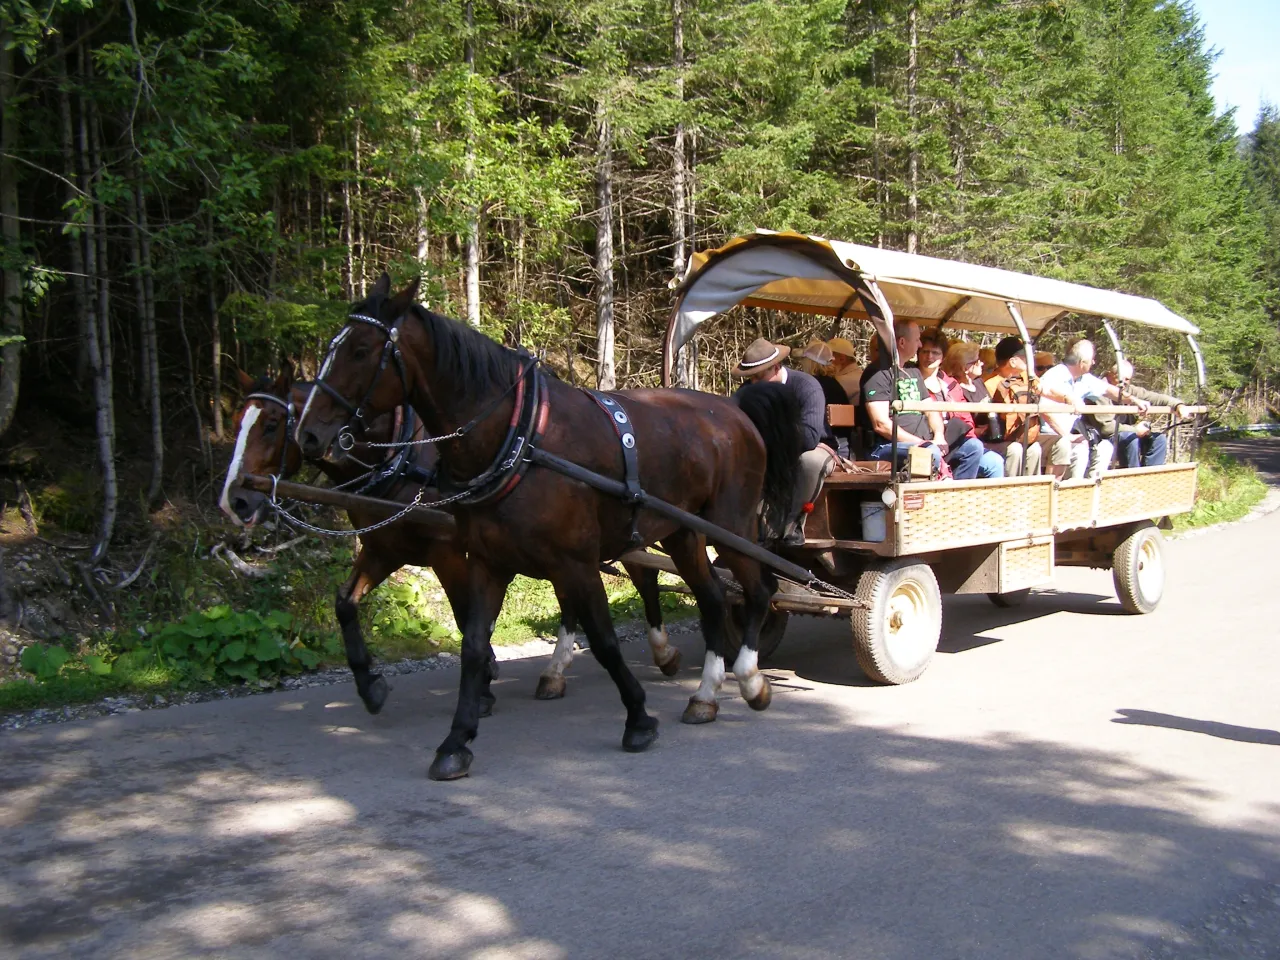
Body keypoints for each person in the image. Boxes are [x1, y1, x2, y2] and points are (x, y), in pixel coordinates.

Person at [733, 337, 836, 545]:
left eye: (759, 377)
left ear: (776, 367)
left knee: (809, 462)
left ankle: (791, 524)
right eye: (750, 378)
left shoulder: (807, 386)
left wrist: (768, 438)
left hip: (814, 448)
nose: (754, 383)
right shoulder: (746, 392)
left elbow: (808, 438)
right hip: (770, 448)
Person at [1038, 339, 1147, 479]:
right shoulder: (1054, 376)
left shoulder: (1084, 379)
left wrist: (1134, 400)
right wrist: (1066, 436)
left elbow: (1109, 391)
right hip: (1049, 435)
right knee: (1078, 450)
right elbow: (1044, 410)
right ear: (1082, 363)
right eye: (1091, 360)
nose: (1094, 363)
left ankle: (1088, 489)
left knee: (1101, 447)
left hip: (1067, 435)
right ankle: (1066, 491)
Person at [861, 321, 946, 476]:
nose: (920, 344)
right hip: (887, 446)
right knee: (930, 453)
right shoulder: (877, 373)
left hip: (924, 442)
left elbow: (930, 409)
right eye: (917, 340)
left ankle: (959, 494)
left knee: (973, 448)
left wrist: (939, 436)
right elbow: (881, 424)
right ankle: (939, 491)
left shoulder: (913, 370)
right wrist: (921, 443)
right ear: (902, 342)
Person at [1096, 359, 1189, 468]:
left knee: (1159, 440)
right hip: (1103, 438)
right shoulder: (1098, 390)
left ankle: (1150, 478)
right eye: (1121, 378)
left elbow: (1156, 398)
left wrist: (1178, 405)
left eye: (1128, 379)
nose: (1124, 382)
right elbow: (1106, 428)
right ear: (1110, 374)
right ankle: (1132, 478)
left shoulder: (1128, 390)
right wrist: (1135, 430)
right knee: (1130, 438)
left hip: (1126, 433)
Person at [940, 342, 1004, 478]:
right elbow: (960, 424)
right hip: (970, 441)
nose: (981, 363)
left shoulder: (979, 383)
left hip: (991, 438)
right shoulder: (954, 388)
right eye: (977, 361)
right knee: (995, 460)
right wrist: (979, 431)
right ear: (965, 367)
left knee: (1015, 451)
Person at [983, 336, 1043, 477]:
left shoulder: (1027, 379)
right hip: (997, 439)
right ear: (1013, 361)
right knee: (1015, 449)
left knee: (1035, 449)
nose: (1029, 360)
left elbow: (1045, 390)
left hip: (1020, 435)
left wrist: (1067, 398)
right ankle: (1011, 491)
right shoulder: (989, 383)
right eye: (1024, 356)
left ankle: (1033, 491)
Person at [801, 340, 854, 459]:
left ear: (809, 362)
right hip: (843, 447)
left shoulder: (810, 385)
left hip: (828, 450)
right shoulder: (836, 385)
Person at [827, 337, 864, 404]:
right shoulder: (860, 375)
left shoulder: (841, 381)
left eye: (829, 358)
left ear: (842, 359)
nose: (825, 363)